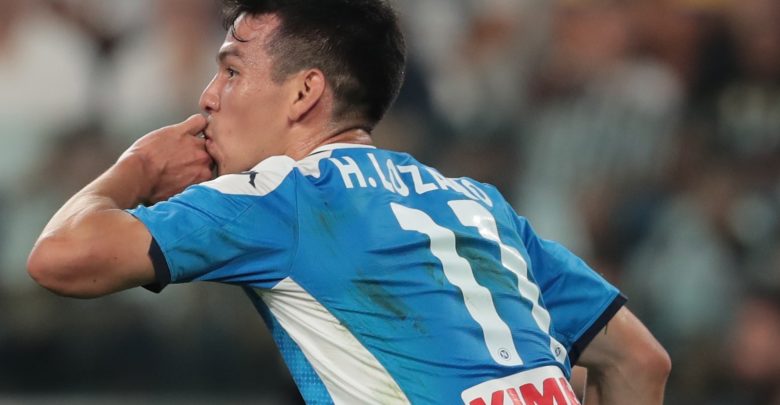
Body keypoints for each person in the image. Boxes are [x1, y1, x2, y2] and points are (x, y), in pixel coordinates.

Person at [27, 0, 670, 403]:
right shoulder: (480, 205)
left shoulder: (285, 195)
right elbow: (640, 361)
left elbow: (60, 258)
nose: (208, 96)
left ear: (304, 93)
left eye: (231, 71)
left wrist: (138, 167)